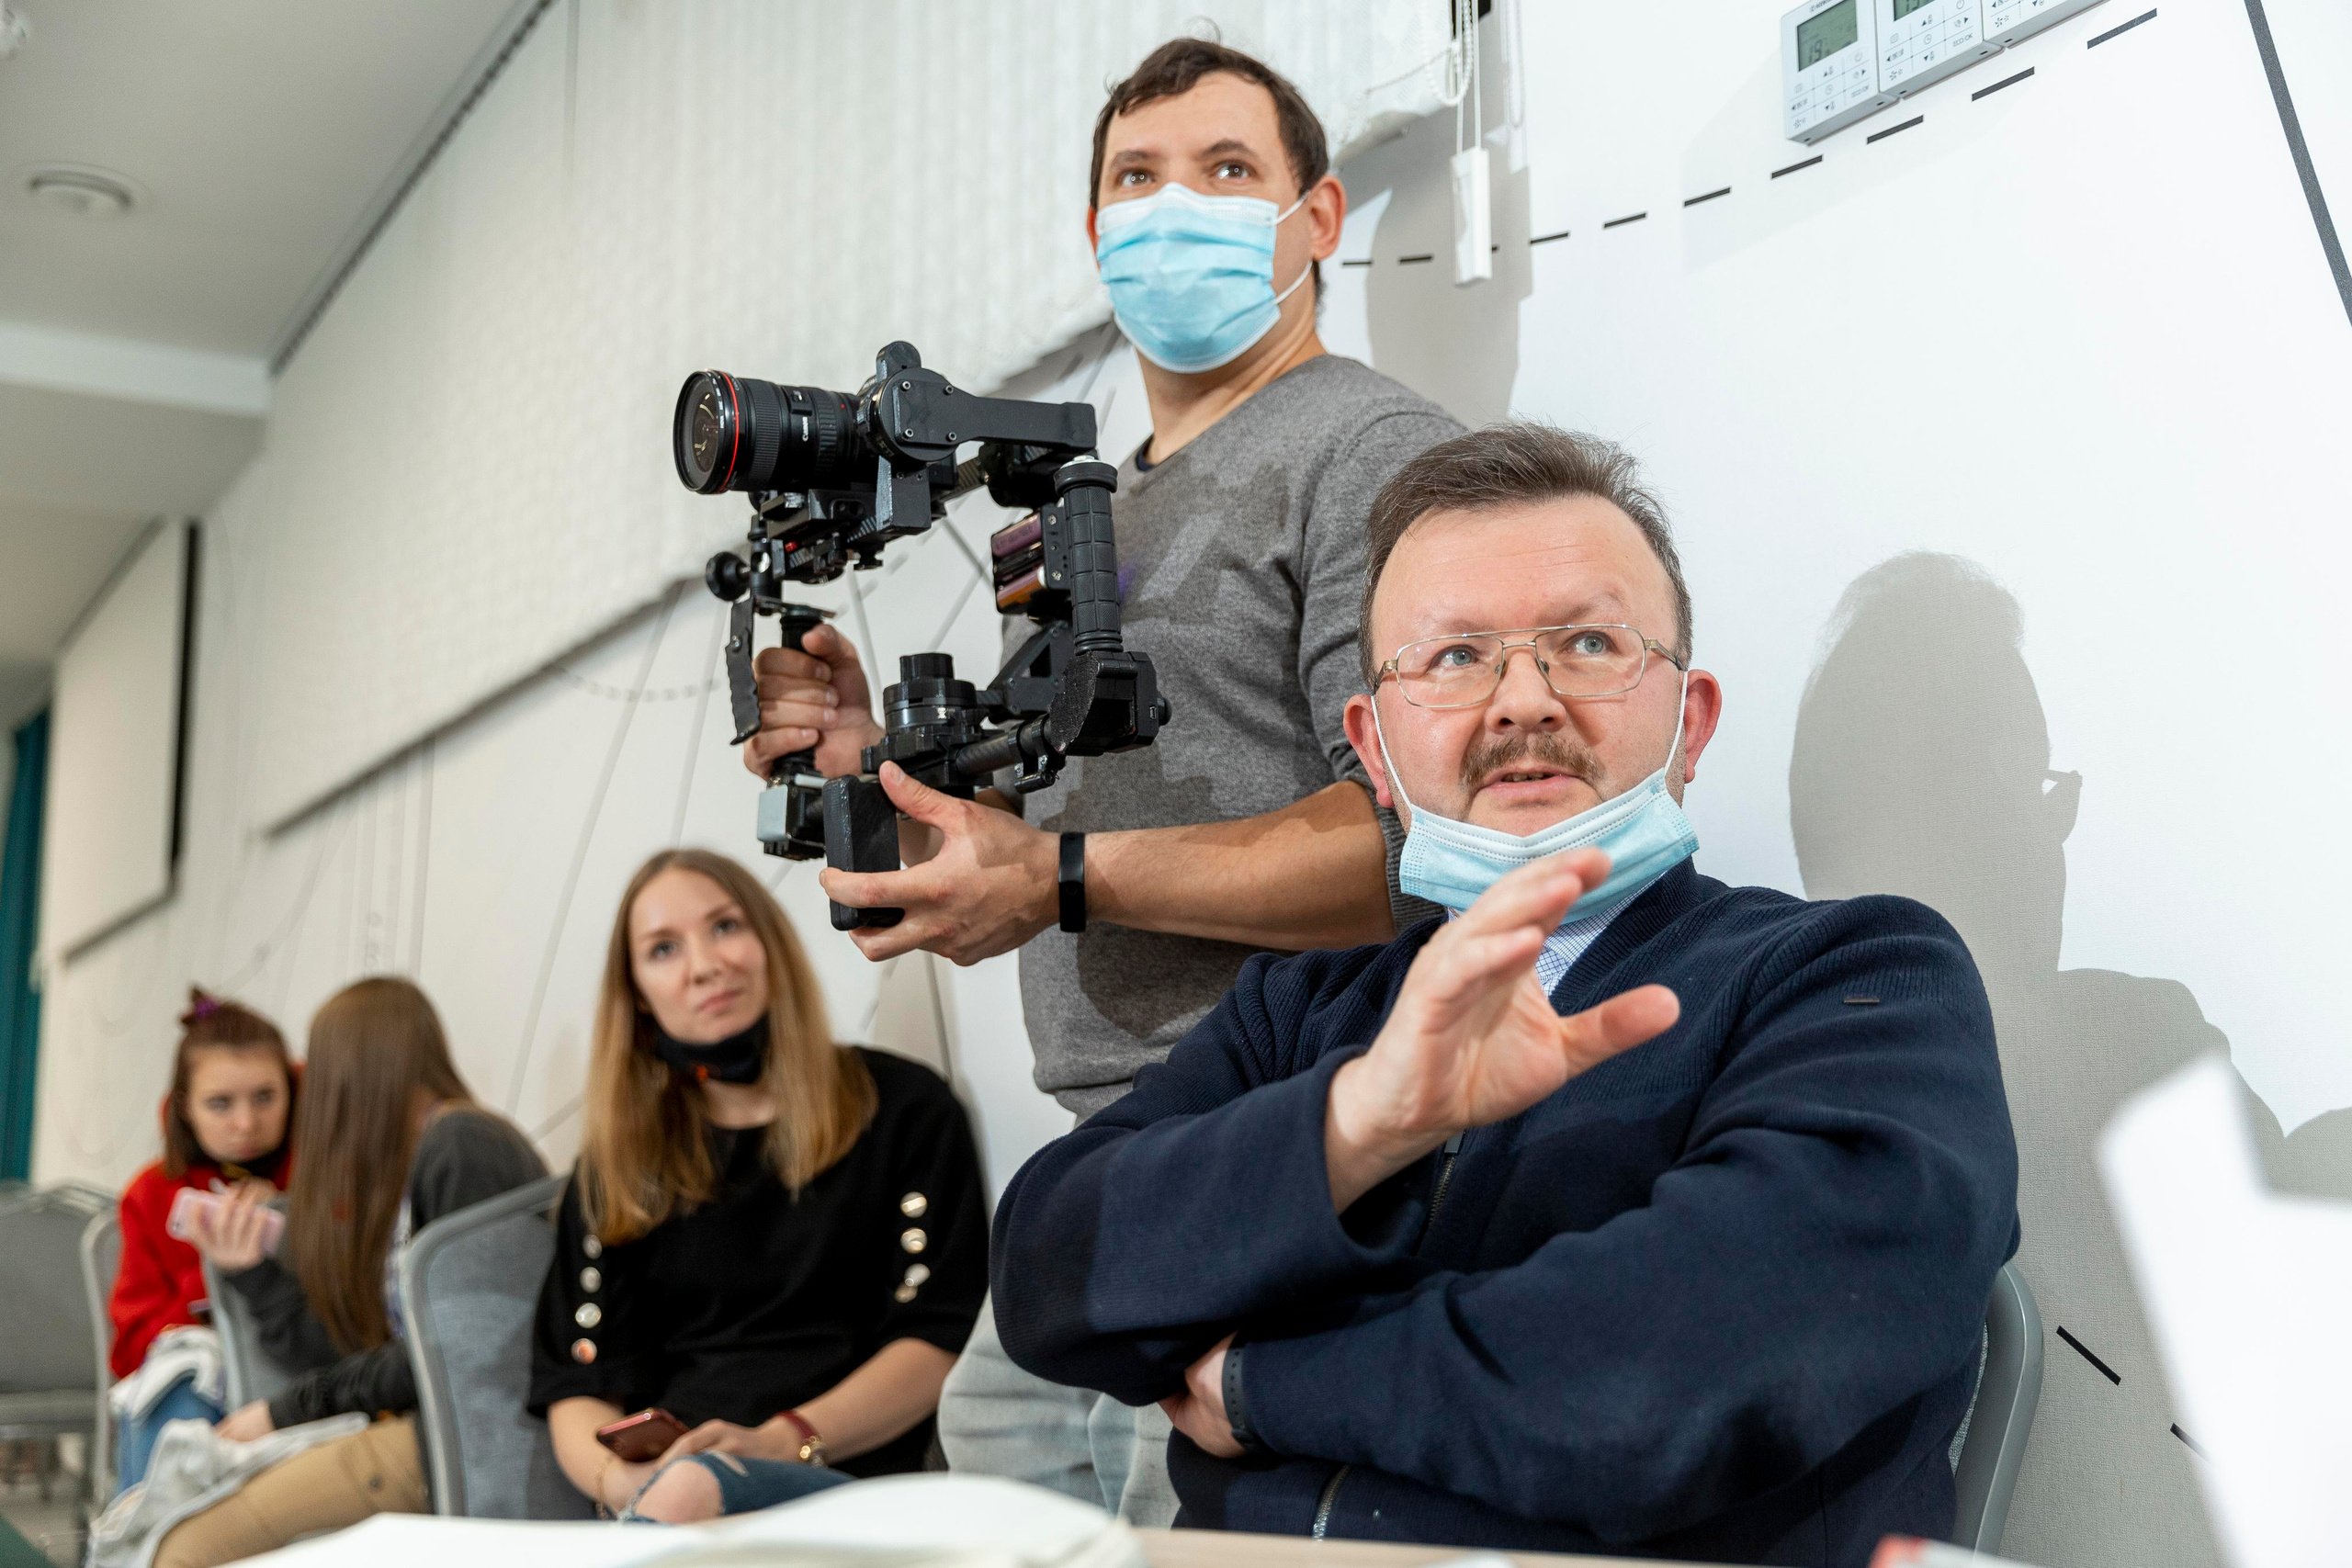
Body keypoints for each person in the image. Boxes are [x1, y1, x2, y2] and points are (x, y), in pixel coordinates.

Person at [990, 424, 2022, 1564]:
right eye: (1452, 658)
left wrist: (1266, 1383)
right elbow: (1050, 1274)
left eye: (1587, 644)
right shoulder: (1300, 1010)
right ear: (1373, 753)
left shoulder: (1856, 978)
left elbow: (1666, 1383)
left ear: (1691, 723)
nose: (1521, 702)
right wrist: (1357, 1125)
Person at [743, 37, 1463, 1521]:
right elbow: (1062, 801)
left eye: (1226, 171)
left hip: (1279, 1137)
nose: (1172, 204)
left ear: (1317, 219)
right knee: (990, 1477)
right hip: (1100, 1167)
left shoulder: (1371, 448)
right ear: (1095, 236)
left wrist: (1061, 877)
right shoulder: (1092, 499)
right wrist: (868, 754)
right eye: (1137, 179)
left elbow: (1412, 849)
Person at [530, 849, 987, 1524]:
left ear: (770, 940)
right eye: (663, 948)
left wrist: (784, 1440)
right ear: (637, 995)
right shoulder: (616, 1169)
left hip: (847, 1481)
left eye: (724, 927)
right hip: (667, 1501)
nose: (704, 965)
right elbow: (577, 1382)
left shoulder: (905, 1110)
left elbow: (937, 1338)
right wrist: (624, 1483)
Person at [157, 977, 545, 1568]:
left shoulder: (463, 1146)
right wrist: (255, 1276)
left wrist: (283, 1413)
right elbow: (357, 1348)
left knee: (191, 1549)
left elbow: (449, 1357)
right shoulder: (421, 1160)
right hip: (435, 1430)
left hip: (468, 1442)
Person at [107, 990, 297, 1493]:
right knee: (175, 1410)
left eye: (265, 1097)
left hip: (300, 1371)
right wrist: (212, 1275)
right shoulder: (151, 1193)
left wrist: (288, 1218)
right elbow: (130, 1348)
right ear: (183, 1109)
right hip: (195, 1381)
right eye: (220, 1103)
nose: (246, 1124)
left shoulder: (315, 1174)